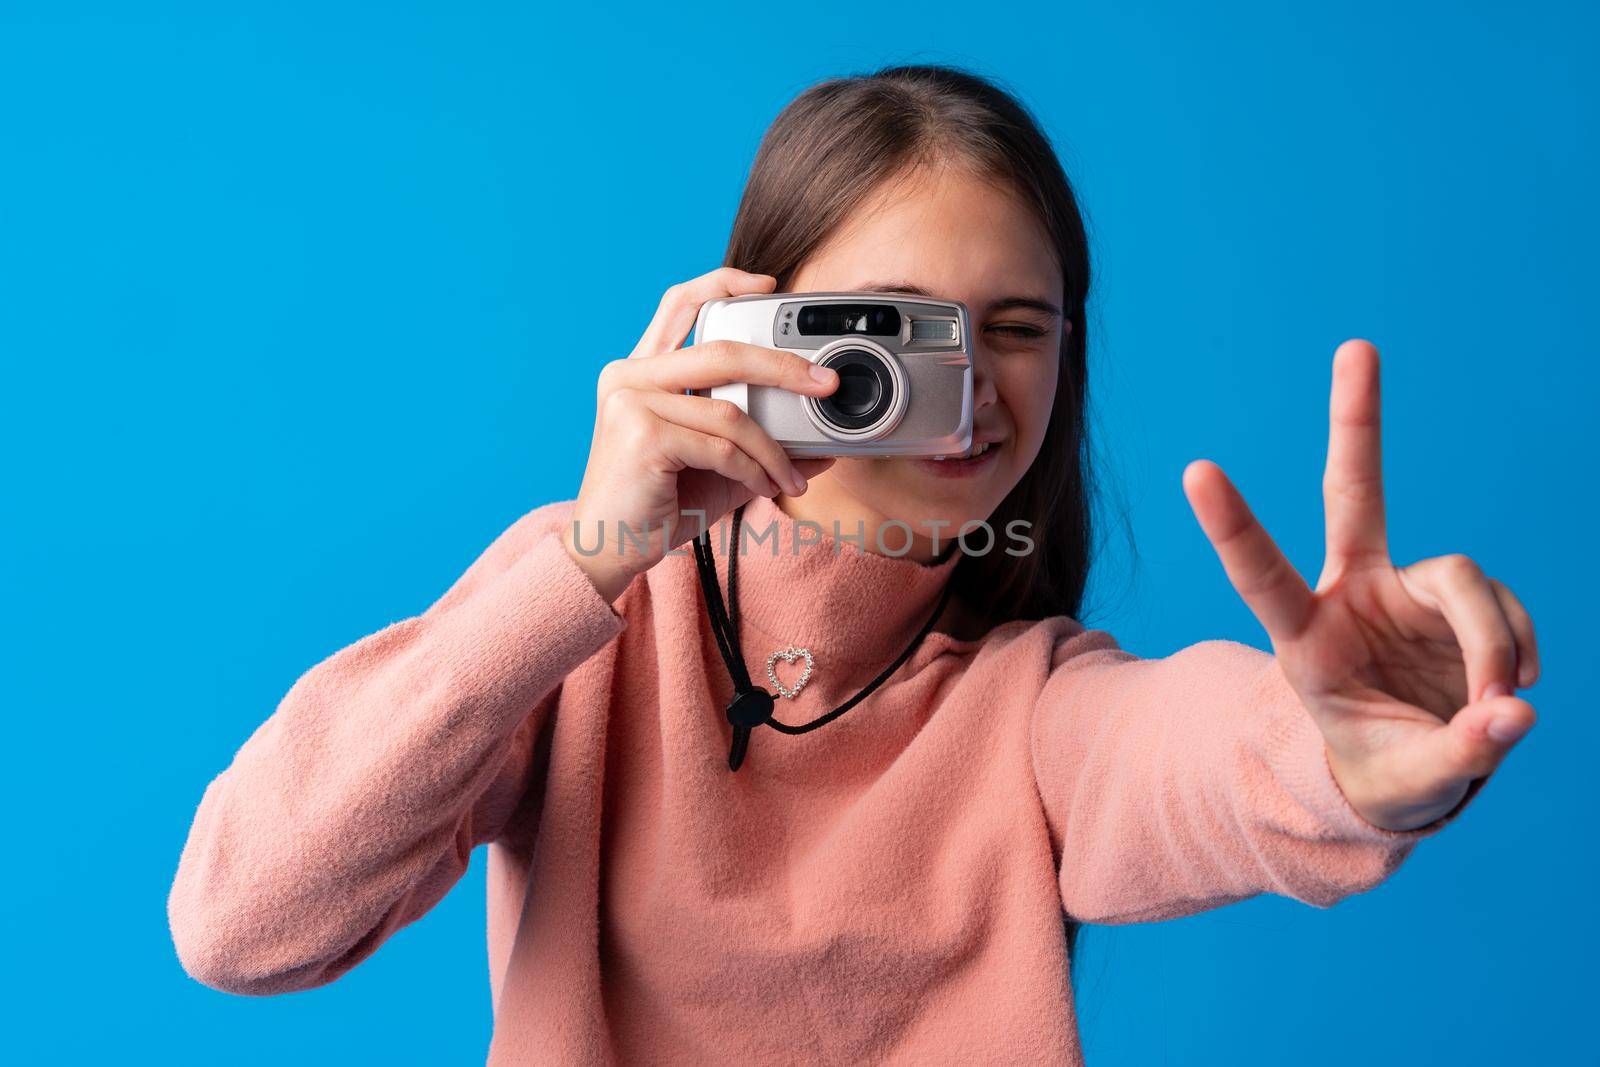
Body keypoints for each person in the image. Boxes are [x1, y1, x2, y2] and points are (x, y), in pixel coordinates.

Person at [167, 64, 1539, 1065]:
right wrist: (590, 561)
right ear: (750, 323)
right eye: (892, 333)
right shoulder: (581, 619)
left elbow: (1181, 755)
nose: (960, 391)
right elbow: (242, 922)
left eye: (1017, 329)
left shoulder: (1031, 703)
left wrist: (1335, 751)